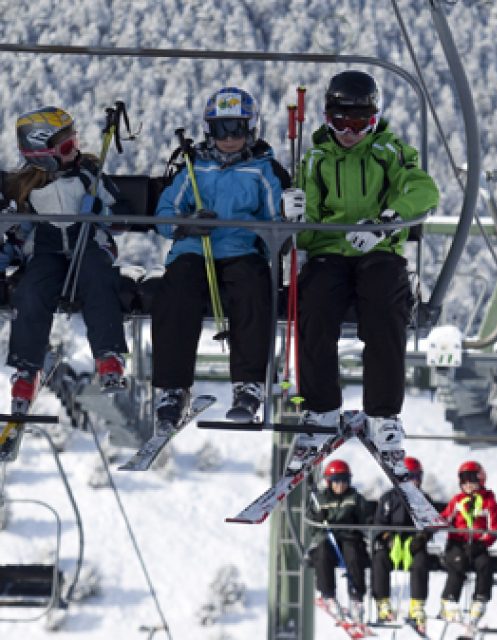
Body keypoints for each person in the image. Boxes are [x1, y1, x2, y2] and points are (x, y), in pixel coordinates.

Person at [282, 70, 440, 476]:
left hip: (378, 251)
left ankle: (383, 414)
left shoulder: (391, 151)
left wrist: (387, 221)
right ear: (326, 117)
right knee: (314, 306)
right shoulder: (314, 159)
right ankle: (321, 410)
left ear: (374, 118)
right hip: (328, 252)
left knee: (386, 307)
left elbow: (424, 191)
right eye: (340, 122)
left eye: (359, 123)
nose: (349, 132)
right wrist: (297, 218)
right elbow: (310, 220)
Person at [151, 87, 289, 428]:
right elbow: (165, 212)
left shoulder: (262, 170)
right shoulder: (195, 168)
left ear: (251, 130)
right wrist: (185, 226)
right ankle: (173, 386)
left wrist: (257, 231)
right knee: (175, 292)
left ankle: (248, 384)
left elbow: (276, 223)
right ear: (208, 131)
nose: (229, 139)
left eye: (237, 129)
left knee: (254, 290)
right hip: (194, 249)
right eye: (220, 129)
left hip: (241, 249)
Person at [2, 106, 130, 414]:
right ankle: (26, 370)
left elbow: (121, 219)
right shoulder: (25, 187)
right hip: (46, 250)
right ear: (42, 154)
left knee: (98, 278)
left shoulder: (89, 174)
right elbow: (22, 228)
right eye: (67, 147)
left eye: (75, 142)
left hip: (87, 242)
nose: (76, 150)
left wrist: (100, 211)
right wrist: (11, 247)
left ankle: (108, 356)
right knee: (31, 290)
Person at [371, 456, 444, 636]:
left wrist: (423, 536)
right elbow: (378, 523)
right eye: (410, 477)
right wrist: (385, 538)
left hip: (414, 545)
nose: (414, 481)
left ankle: (417, 606)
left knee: (421, 562)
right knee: (379, 559)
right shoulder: (388, 499)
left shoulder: (424, 499)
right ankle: (383, 602)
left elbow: (432, 523)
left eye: (417, 477)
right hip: (393, 545)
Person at [438, 461, 497, 628]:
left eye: (471, 480)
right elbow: (444, 518)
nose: (467, 485)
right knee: (457, 563)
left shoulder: (488, 501)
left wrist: (483, 543)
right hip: (457, 543)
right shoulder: (458, 500)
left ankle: (480, 599)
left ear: (480, 480)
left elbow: (494, 527)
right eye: (464, 481)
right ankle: (449, 600)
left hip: (477, 544)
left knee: (484, 564)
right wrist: (427, 531)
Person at [307, 459, 371, 623]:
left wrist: (361, 525)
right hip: (329, 540)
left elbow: (368, 519)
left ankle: (356, 599)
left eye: (344, 480)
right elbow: (312, 528)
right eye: (336, 481)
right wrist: (318, 518)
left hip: (349, 539)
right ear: (329, 482)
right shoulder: (320, 500)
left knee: (354, 555)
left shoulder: (355, 498)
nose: (340, 485)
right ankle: (328, 595)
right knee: (322, 553)